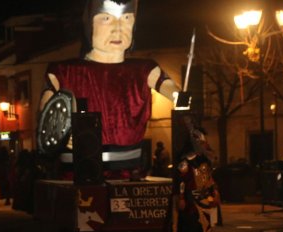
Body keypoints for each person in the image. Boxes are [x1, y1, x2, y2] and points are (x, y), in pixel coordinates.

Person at [38, 0, 180, 177]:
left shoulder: (144, 69)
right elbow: (46, 115)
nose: (118, 28)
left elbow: (175, 93)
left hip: (129, 172)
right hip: (79, 173)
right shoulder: (63, 72)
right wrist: (62, 133)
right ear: (89, 23)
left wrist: (183, 99)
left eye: (126, 18)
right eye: (106, 18)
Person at [163, 127, 220, 232]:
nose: (204, 145)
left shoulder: (203, 160)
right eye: (201, 143)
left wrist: (215, 192)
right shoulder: (185, 161)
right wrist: (181, 197)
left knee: (205, 229)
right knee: (191, 226)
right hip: (190, 200)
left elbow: (208, 179)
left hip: (205, 199)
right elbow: (181, 181)